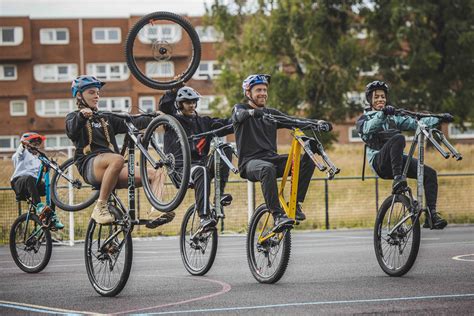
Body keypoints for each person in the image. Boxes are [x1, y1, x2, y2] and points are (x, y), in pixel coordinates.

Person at [232, 74, 331, 232]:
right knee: (266, 168)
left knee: (308, 160)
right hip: (250, 164)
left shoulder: (271, 113)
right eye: (258, 90)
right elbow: (238, 115)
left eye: (265, 90)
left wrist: (317, 124)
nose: (263, 93)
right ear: (248, 93)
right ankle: (277, 215)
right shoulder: (241, 108)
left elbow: (293, 121)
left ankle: (295, 204)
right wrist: (252, 113)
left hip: (271, 159)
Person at [66, 75, 168, 225]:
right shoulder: (73, 117)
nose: (96, 96)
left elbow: (132, 121)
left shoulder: (106, 117)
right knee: (117, 159)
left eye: (98, 93)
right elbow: (71, 130)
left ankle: (156, 212)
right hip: (90, 166)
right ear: (79, 96)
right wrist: (81, 117)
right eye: (91, 93)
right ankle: (100, 206)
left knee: (156, 174)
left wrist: (155, 117)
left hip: (114, 166)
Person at [356, 80, 450, 229]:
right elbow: (368, 129)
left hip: (397, 162)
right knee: (398, 138)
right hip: (379, 162)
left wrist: (439, 119)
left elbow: (416, 122)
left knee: (430, 174)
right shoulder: (364, 119)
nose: (380, 99)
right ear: (370, 100)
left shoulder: (394, 117)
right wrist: (382, 114)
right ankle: (399, 179)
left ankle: (431, 215)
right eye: (376, 97)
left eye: (383, 97)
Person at [158, 85, 234, 230]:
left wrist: (239, 118)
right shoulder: (172, 121)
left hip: (202, 166)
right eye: (188, 102)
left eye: (194, 102)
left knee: (225, 149)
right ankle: (204, 217)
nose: (192, 105)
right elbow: (164, 106)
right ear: (180, 104)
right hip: (181, 170)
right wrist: (174, 89)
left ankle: (219, 196)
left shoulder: (204, 122)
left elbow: (225, 125)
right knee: (201, 170)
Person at [11, 132, 64, 229]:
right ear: (28, 144)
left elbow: (42, 173)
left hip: (34, 185)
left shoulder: (39, 158)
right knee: (29, 178)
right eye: (34, 144)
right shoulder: (22, 154)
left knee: (51, 188)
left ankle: (51, 217)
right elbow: (19, 153)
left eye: (38, 144)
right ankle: (39, 207)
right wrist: (23, 145)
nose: (37, 147)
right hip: (19, 183)